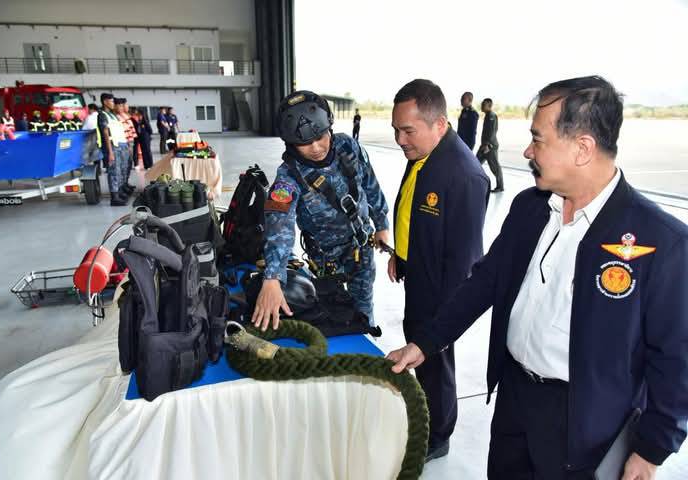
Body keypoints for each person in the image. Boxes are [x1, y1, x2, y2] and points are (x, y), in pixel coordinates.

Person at [387, 76, 688, 479]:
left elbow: (676, 359)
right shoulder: (530, 209)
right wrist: (426, 342)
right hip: (514, 400)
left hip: (582, 426)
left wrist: (651, 449)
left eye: (538, 139)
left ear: (582, 148)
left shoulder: (660, 242)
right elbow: (484, 282)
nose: (528, 151)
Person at [389, 79, 489, 462]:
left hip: (441, 290)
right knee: (419, 353)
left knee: (434, 361)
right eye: (396, 130)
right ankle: (426, 416)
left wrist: (444, 322)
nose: (400, 140)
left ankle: (438, 434)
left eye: (408, 131)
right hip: (417, 271)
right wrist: (401, 254)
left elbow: (466, 262)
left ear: (440, 124)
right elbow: (412, 209)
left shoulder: (464, 176)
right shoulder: (422, 153)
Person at [251, 90, 390, 331]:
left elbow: (370, 184)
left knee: (363, 310)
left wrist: (382, 224)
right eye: (304, 143)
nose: (316, 148)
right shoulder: (288, 178)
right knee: (332, 315)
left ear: (330, 127)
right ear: (290, 144)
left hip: (362, 249)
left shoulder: (348, 146)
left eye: (320, 137)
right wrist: (273, 277)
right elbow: (279, 227)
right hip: (325, 261)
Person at [97, 92, 131, 206]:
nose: (113, 103)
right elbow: (106, 133)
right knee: (114, 171)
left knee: (121, 170)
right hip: (112, 146)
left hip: (121, 145)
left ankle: (120, 192)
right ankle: (114, 197)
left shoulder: (112, 115)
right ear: (105, 102)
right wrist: (110, 152)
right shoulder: (102, 115)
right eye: (111, 101)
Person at [478, 98, 504, 192]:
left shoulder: (491, 116)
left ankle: (500, 187)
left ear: (489, 106)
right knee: (475, 163)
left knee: (495, 167)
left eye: (483, 104)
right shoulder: (487, 115)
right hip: (485, 145)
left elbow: (492, 132)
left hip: (489, 146)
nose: (481, 106)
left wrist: (488, 145)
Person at [115, 98, 137, 189]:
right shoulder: (117, 117)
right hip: (125, 143)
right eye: (124, 105)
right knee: (123, 166)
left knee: (128, 164)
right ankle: (122, 186)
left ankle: (125, 183)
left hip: (130, 142)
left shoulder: (125, 115)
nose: (127, 106)